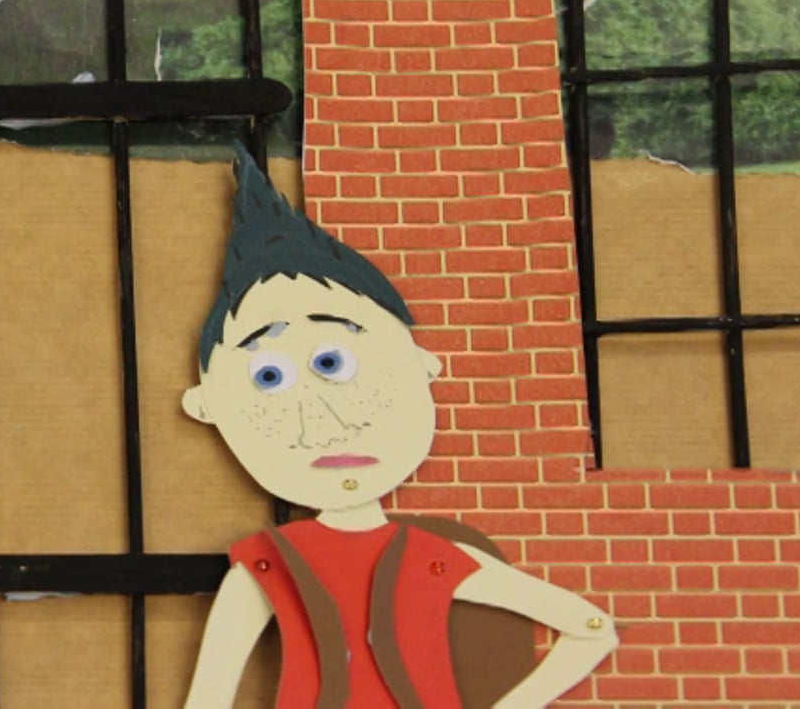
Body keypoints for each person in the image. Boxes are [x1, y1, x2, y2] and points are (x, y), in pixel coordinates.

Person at [179, 151, 617, 709]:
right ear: (209, 405)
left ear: (422, 366)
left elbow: (592, 628)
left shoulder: (430, 558)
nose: (323, 414)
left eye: (333, 363)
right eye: (270, 376)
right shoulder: (272, 563)